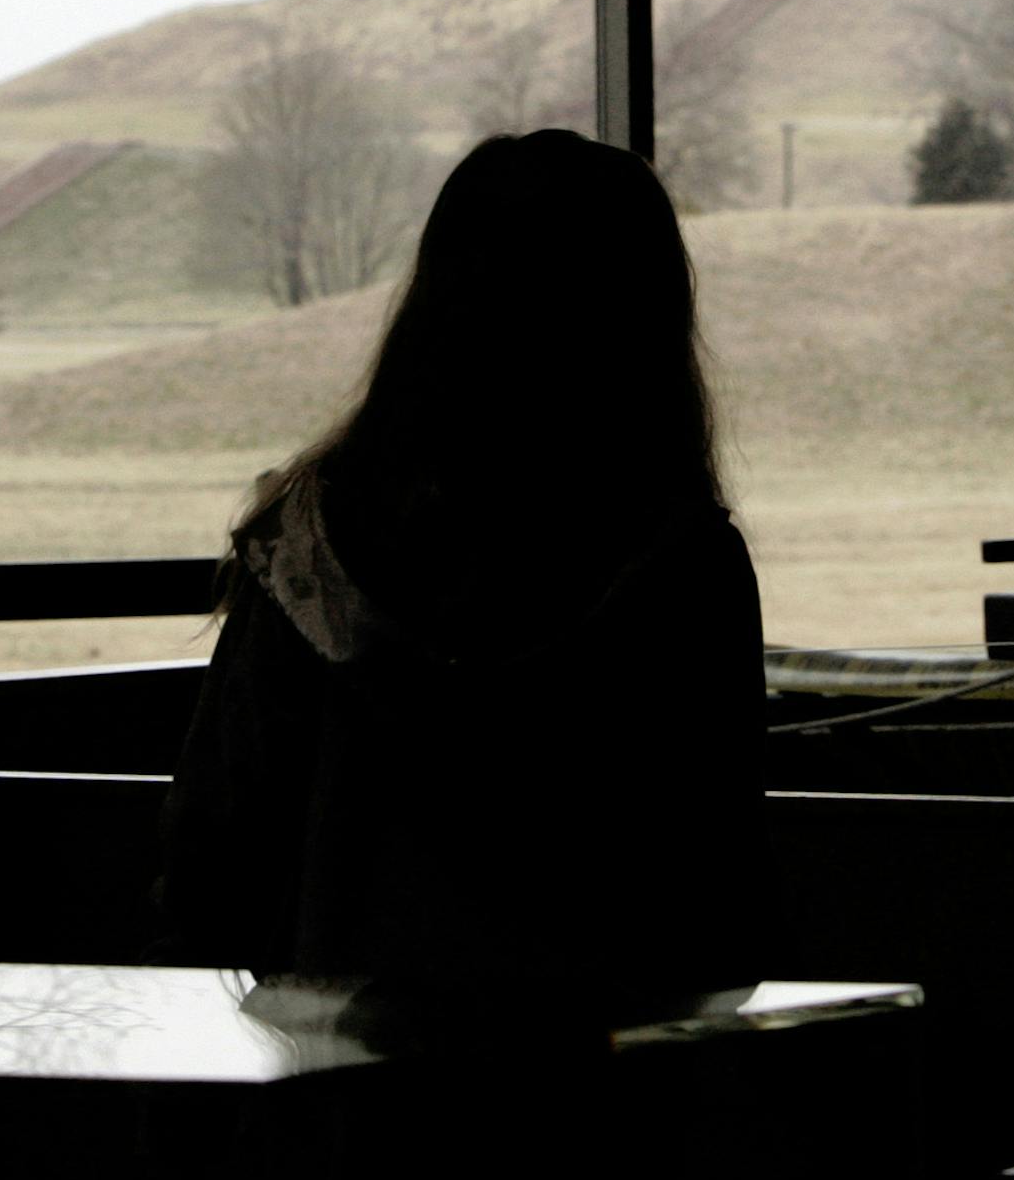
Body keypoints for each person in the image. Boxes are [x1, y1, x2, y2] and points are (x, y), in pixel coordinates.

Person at [151, 129, 767, 1022]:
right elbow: (716, 874)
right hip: (596, 1062)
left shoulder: (306, 545)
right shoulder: (681, 563)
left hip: (336, 1052)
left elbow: (217, 846)